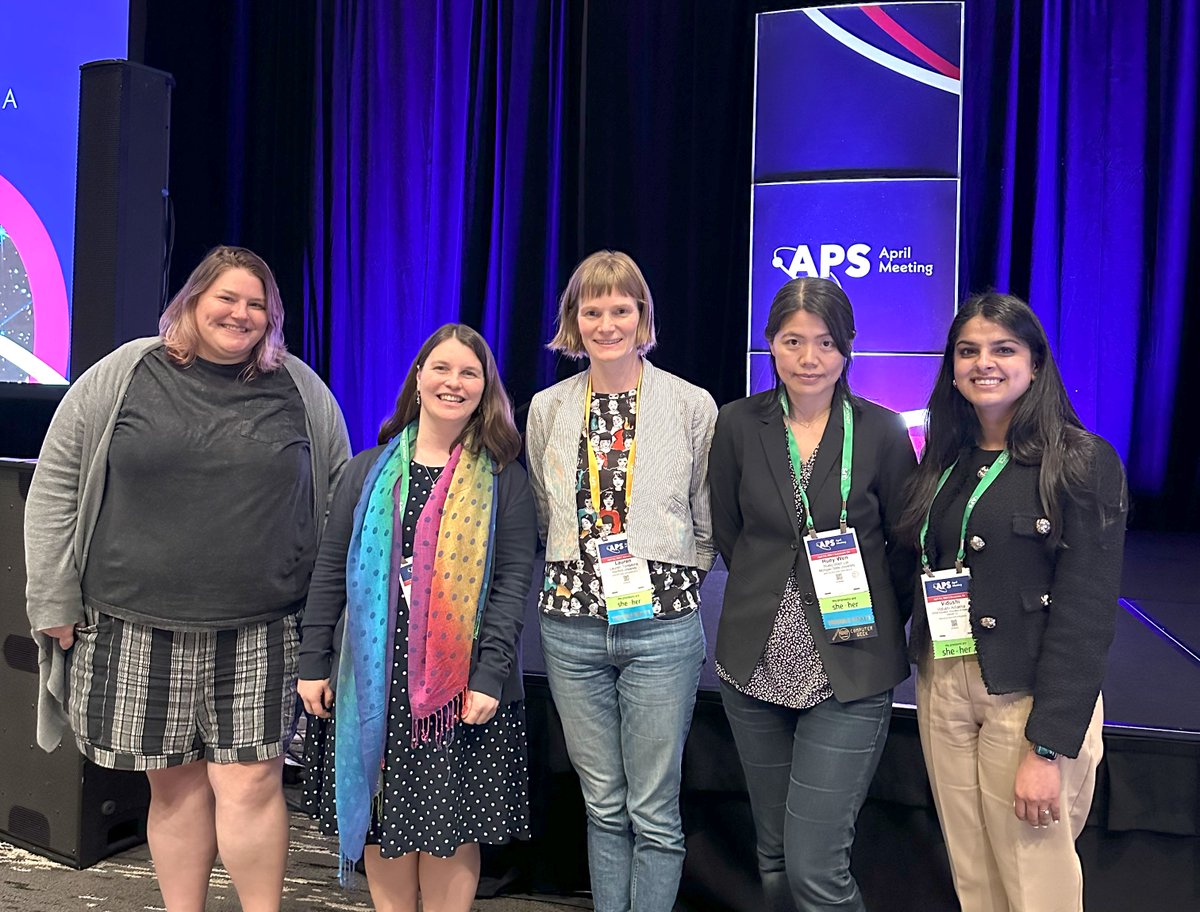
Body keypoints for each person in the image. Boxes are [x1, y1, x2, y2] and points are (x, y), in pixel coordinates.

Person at [24, 245, 351, 912]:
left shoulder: (301, 389)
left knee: (252, 785)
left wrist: (330, 619)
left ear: (273, 317)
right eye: (226, 298)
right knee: (172, 788)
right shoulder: (124, 374)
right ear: (193, 301)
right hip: (134, 621)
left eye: (257, 303)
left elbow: (339, 500)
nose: (241, 313)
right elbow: (56, 485)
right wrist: (51, 598)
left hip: (262, 629)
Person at [900, 292, 1127, 912]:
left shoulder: (1082, 462)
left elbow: (1086, 616)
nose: (984, 363)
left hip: (1026, 699)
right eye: (968, 351)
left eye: (1003, 349)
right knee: (974, 878)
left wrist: (1047, 746)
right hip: (943, 683)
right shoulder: (942, 459)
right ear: (951, 367)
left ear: (1035, 363)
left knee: (1036, 884)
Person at [298, 323, 536, 912]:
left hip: (460, 688)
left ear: (486, 389)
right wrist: (311, 662)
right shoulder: (368, 469)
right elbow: (330, 570)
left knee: (451, 823)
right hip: (371, 681)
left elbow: (511, 586)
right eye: (442, 369)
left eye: (469, 373)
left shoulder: (505, 480)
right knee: (384, 818)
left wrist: (488, 674)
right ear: (419, 378)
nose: (453, 383)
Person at [708, 276, 917, 912]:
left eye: (825, 343)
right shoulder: (738, 424)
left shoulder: (881, 431)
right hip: (755, 664)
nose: (808, 358)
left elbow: (904, 553)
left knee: (814, 870)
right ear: (769, 343)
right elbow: (728, 531)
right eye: (793, 341)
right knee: (771, 855)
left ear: (848, 349)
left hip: (848, 669)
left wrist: (871, 619)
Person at [526, 250, 716, 912]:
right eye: (592, 309)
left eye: (620, 308)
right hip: (570, 630)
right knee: (603, 805)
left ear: (643, 316)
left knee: (654, 810)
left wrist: (673, 578)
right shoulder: (548, 407)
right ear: (574, 322)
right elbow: (546, 513)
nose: (607, 322)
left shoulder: (691, 404)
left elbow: (705, 513)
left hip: (661, 630)